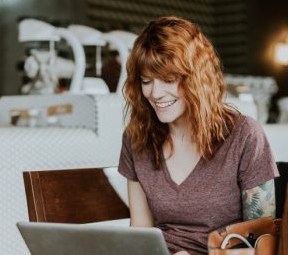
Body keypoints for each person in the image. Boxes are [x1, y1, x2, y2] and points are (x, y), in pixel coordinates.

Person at [118, 16, 279, 255]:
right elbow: (141, 236)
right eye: (146, 81)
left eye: (169, 80)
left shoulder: (244, 135)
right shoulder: (136, 139)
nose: (155, 93)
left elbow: (264, 243)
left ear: (196, 79)